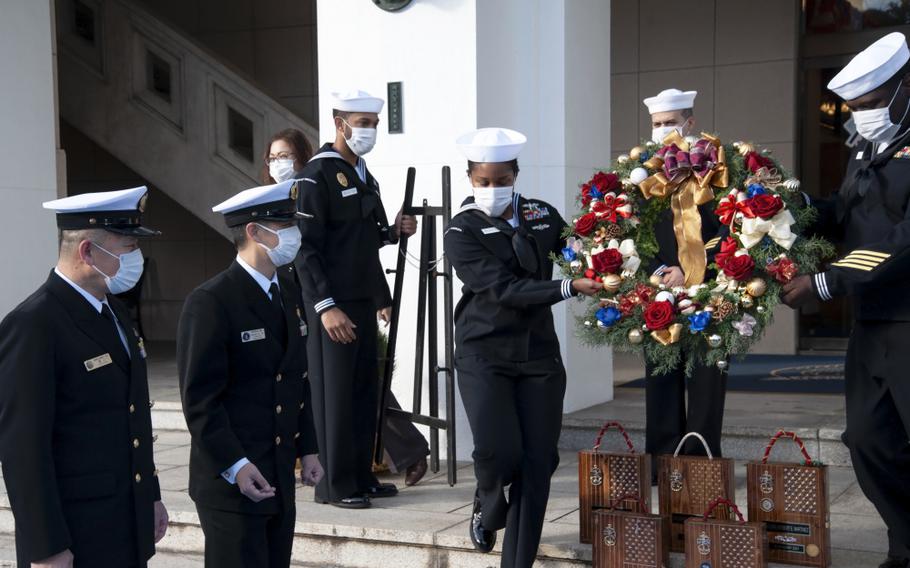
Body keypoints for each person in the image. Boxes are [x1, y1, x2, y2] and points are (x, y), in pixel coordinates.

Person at [444, 128, 602, 567]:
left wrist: (612, 257)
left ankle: (518, 562)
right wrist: (568, 287)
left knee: (538, 461)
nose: (492, 189)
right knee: (498, 451)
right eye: (483, 181)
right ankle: (488, 502)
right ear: (470, 178)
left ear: (516, 174)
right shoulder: (461, 230)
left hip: (538, 355)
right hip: (483, 351)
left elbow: (580, 253)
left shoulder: (542, 215)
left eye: (501, 180)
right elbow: (502, 289)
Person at [782, 32, 910, 568]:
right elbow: (842, 211)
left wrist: (827, 283)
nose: (863, 115)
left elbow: (902, 240)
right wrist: (787, 201)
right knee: (866, 439)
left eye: (873, 104)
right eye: (857, 108)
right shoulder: (864, 146)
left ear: (903, 89)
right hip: (872, 323)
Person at [0, 186, 168, 567]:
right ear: (88, 252)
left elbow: (132, 418)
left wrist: (151, 496)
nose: (136, 259)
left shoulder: (114, 314)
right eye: (127, 248)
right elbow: (23, 452)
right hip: (75, 536)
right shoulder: (34, 325)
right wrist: (47, 548)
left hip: (124, 524)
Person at [177, 179, 324, 567]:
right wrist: (237, 465)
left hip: (276, 471)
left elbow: (297, 378)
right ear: (254, 232)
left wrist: (308, 447)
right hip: (232, 483)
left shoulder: (288, 290)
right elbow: (200, 402)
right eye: (284, 225)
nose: (295, 234)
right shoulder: (211, 301)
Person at [293, 89, 417, 508]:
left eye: (373, 124)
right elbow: (305, 248)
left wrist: (393, 231)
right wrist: (325, 306)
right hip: (334, 306)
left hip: (362, 301)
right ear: (338, 122)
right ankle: (335, 484)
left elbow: (364, 239)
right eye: (361, 123)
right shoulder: (316, 175)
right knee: (335, 398)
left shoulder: (364, 173)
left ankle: (361, 476)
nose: (368, 131)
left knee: (364, 393)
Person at [641, 88, 728, 468]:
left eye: (671, 123)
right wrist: (659, 272)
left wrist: (692, 268)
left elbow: (733, 229)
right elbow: (632, 234)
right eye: (657, 125)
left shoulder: (719, 168)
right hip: (659, 289)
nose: (663, 130)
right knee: (661, 377)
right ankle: (663, 463)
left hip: (709, 290)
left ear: (689, 122)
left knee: (707, 380)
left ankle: (700, 465)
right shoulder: (641, 174)